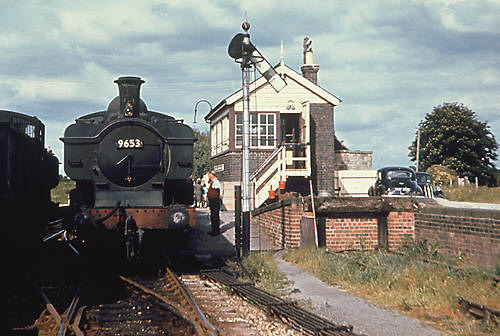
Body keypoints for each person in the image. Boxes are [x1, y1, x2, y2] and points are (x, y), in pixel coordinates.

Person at [207, 171, 221, 235]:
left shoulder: (215, 181)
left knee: (215, 216)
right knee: (213, 216)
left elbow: (218, 188)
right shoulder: (212, 182)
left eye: (208, 174)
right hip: (212, 200)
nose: (208, 176)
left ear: (211, 175)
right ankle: (214, 230)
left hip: (214, 201)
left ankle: (216, 231)